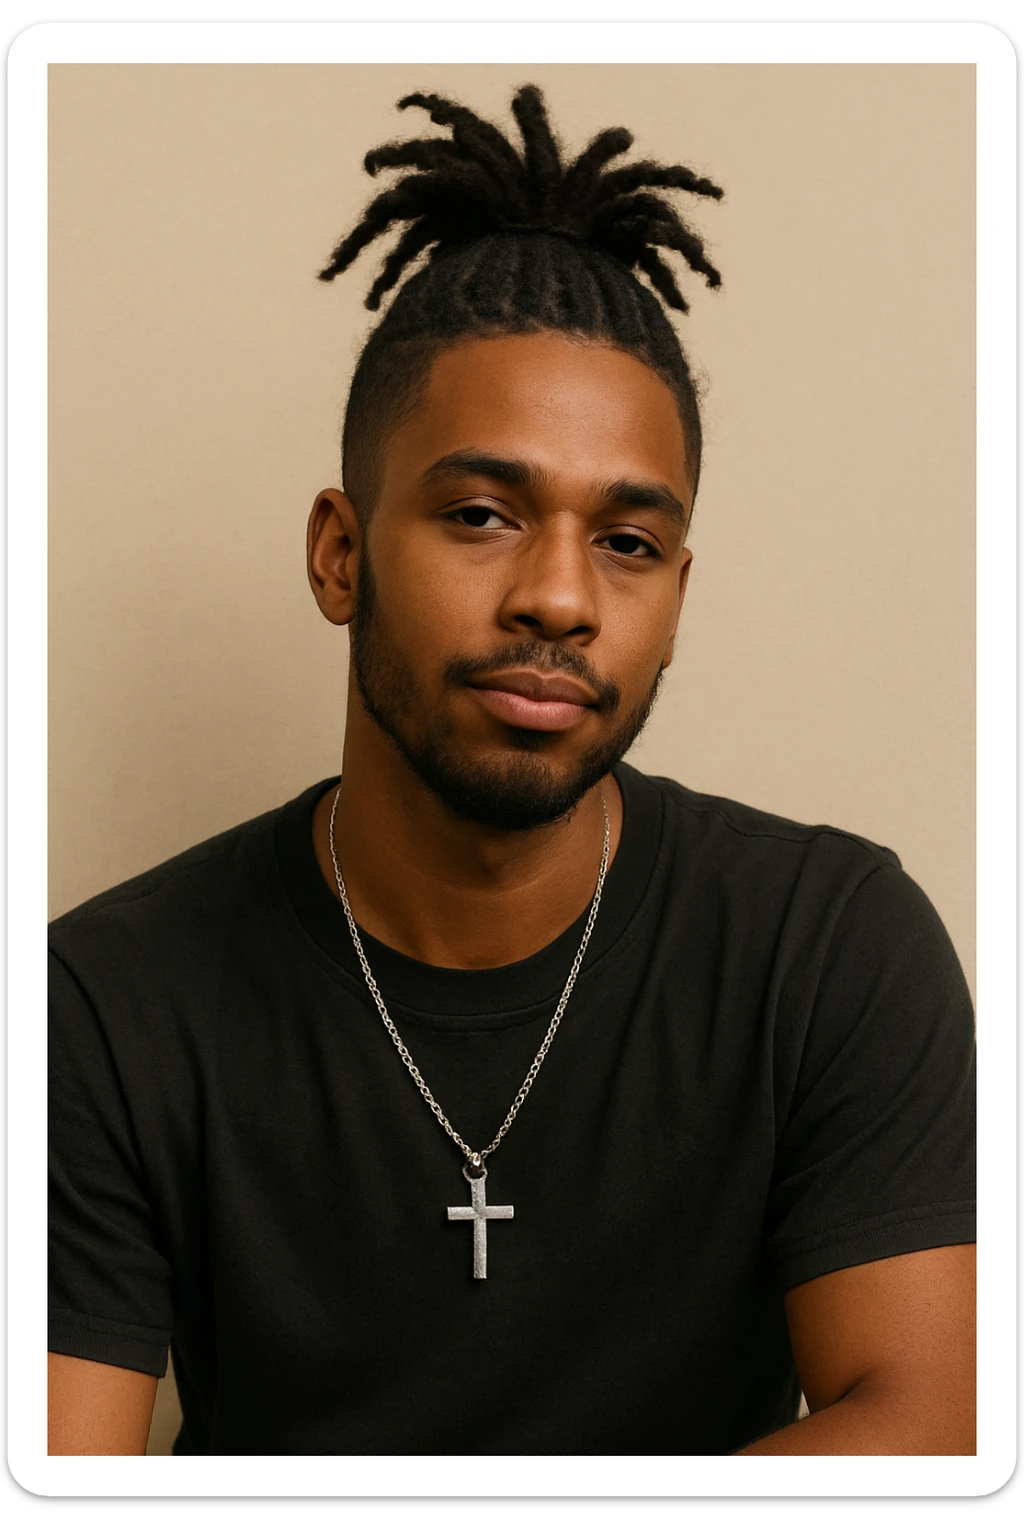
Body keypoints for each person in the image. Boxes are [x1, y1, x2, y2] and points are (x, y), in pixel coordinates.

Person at [47, 85, 976, 1458]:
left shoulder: (830, 948)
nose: (559, 597)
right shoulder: (106, 1005)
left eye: (629, 543)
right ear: (340, 554)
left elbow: (927, 1423)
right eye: (481, 515)